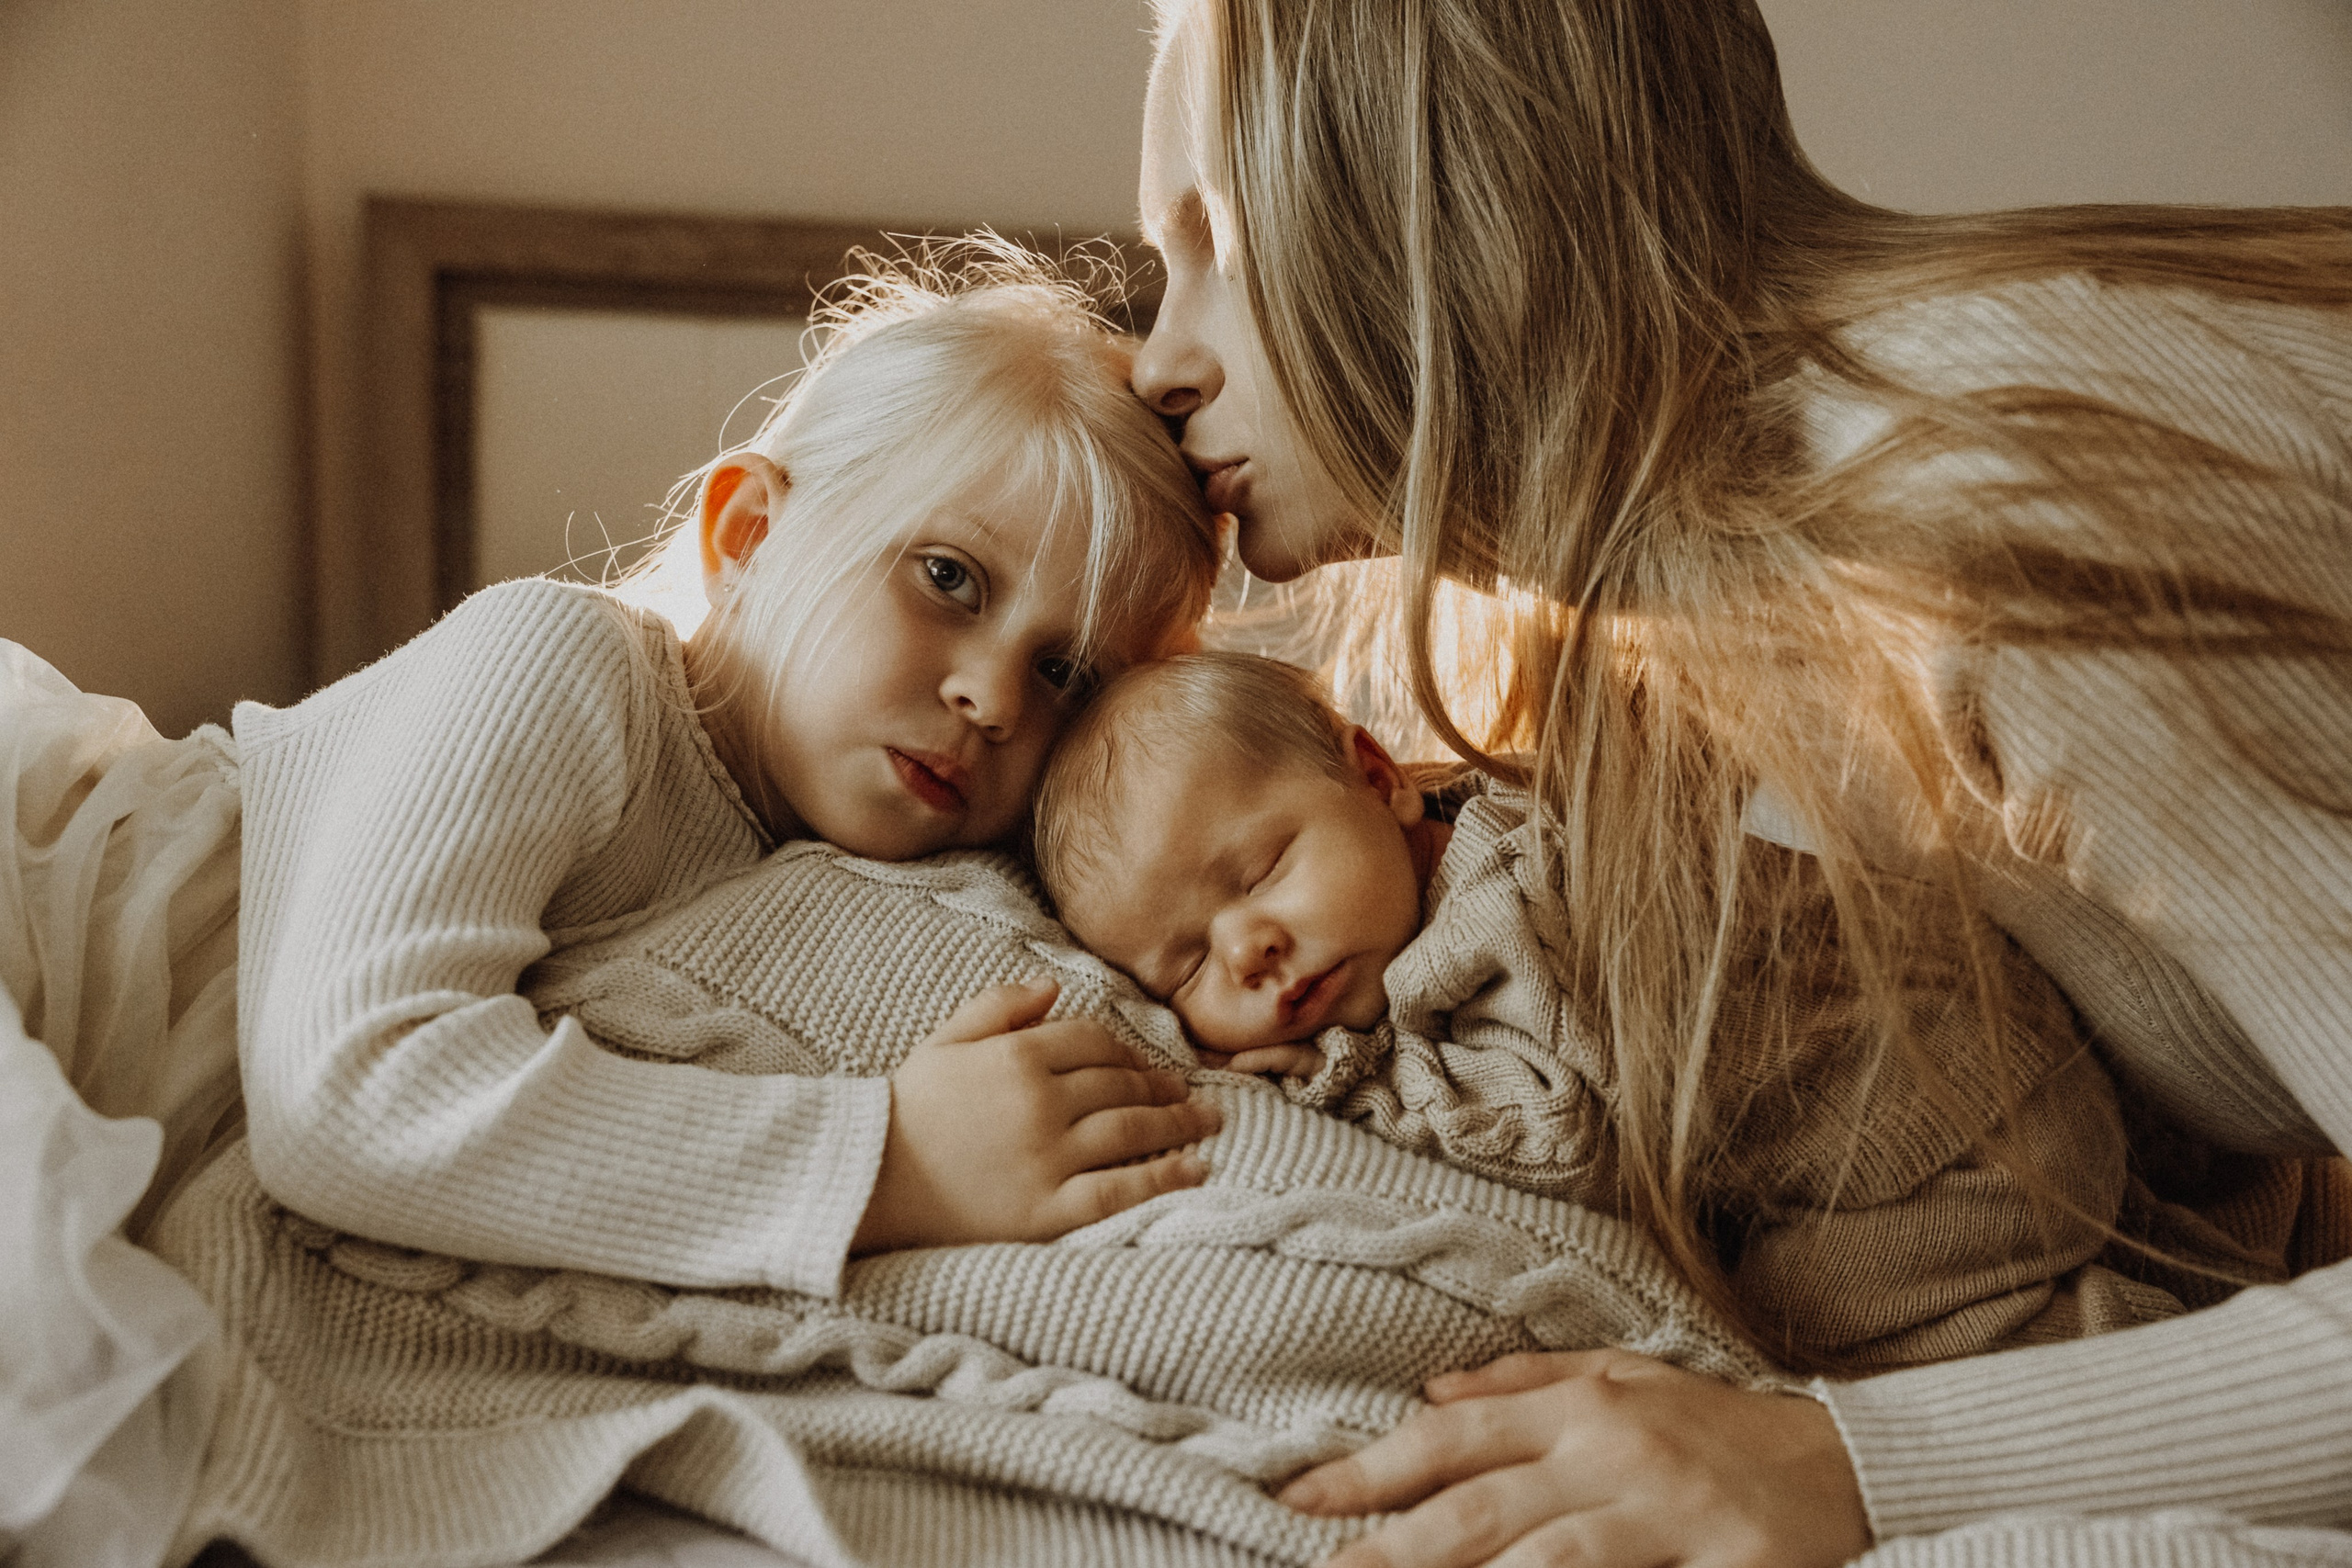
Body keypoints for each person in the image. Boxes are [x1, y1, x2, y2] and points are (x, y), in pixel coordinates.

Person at [1125, 0, 2352, 1562]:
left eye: (1213, 242)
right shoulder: (1633, 639)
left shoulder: (2005, 499)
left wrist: (1844, 1465)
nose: (1157, 358)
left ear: (1437, 200)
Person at [1, 243, 1227, 1562]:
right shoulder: (564, 661)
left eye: (1067, 673)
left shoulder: (861, 884)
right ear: (747, 531)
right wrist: (887, 1157)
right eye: (947, 578)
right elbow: (351, 1091)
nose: (994, 694)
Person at [1035, 649, 2178, 1372]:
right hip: (1936, 1110)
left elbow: (1565, 1137)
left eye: (1260, 871)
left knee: (1784, 1333)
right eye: (1183, 968)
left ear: (1377, 775)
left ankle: (2132, 1359)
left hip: (1962, 1144)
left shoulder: (1503, 910)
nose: (1250, 950)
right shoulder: (1430, 884)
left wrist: (1357, 1087)